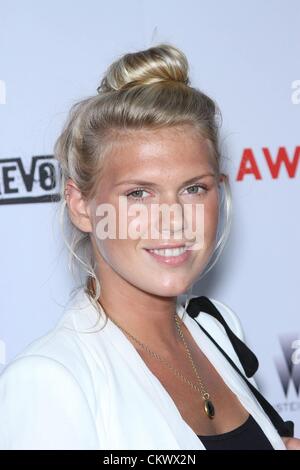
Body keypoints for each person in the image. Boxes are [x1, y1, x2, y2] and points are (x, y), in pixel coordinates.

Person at [0, 43, 298, 450]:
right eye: (139, 194)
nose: (173, 219)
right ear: (82, 206)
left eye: (194, 189)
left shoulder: (214, 328)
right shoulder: (51, 380)